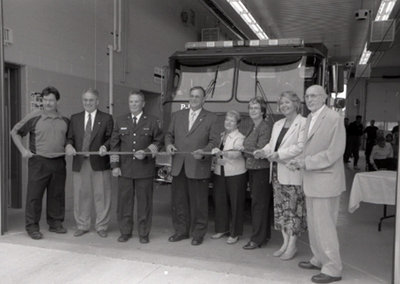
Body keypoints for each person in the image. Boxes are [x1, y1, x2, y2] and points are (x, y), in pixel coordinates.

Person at [288, 85, 345, 283]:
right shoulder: (311, 118)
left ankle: (332, 268)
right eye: (307, 96)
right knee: (314, 225)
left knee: (325, 227)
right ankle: (318, 258)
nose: (310, 99)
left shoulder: (333, 119)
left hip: (326, 181)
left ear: (324, 98)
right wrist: (299, 160)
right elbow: (308, 148)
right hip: (312, 180)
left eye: (314, 96)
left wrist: (306, 162)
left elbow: (334, 152)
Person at [10, 86, 69, 240]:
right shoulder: (34, 116)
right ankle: (32, 227)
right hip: (39, 162)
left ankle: (55, 223)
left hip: (58, 162)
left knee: (56, 195)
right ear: (42, 100)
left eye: (51, 100)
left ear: (57, 101)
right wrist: (23, 150)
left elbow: (70, 141)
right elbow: (14, 132)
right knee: (34, 196)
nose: (48, 103)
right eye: (45, 100)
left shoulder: (64, 120)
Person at [254, 91, 307, 260]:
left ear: (296, 104)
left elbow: (300, 147)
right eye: (281, 103)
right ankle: (285, 243)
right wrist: (263, 151)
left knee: (293, 211)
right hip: (276, 173)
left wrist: (279, 154)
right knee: (281, 211)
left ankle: (292, 246)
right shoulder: (277, 124)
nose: (284, 106)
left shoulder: (304, 123)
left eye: (287, 102)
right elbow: (271, 144)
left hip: (292, 172)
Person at [165, 86, 218, 246]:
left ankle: (198, 233)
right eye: (192, 96)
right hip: (178, 165)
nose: (194, 99)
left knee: (198, 203)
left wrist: (204, 151)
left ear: (204, 100)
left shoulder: (211, 117)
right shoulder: (177, 115)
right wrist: (168, 145)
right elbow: (169, 135)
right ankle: (181, 231)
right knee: (179, 201)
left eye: (197, 97)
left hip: (198, 165)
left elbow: (214, 142)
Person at [110, 91, 163, 243]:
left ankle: (143, 233)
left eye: (136, 101)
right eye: (131, 101)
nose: (133, 104)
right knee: (124, 203)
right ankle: (125, 231)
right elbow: (115, 145)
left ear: (143, 104)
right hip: (125, 169)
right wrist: (115, 165)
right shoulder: (120, 121)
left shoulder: (152, 121)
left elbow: (159, 141)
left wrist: (146, 152)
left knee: (144, 204)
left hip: (144, 169)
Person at [65, 88, 113, 238]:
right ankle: (82, 225)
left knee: (102, 195)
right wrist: (69, 145)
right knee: (81, 195)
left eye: (91, 100)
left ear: (97, 101)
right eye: (85, 100)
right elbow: (70, 138)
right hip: (80, 162)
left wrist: (106, 146)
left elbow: (112, 138)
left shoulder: (106, 118)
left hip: (99, 161)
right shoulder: (75, 118)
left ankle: (102, 226)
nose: (88, 103)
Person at [210, 110, 247, 245]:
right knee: (220, 202)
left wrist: (221, 153)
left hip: (235, 174)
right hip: (220, 173)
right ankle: (221, 229)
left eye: (232, 121)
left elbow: (236, 153)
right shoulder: (222, 136)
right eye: (227, 120)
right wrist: (216, 158)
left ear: (237, 123)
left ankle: (235, 233)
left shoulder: (240, 137)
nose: (228, 123)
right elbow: (217, 154)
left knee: (236, 203)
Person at [242, 97, 273, 250]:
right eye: (250, 108)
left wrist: (243, 151)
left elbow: (259, 150)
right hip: (253, 169)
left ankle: (256, 239)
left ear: (262, 111)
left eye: (255, 108)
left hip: (261, 169)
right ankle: (264, 236)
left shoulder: (264, 127)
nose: (252, 110)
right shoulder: (252, 126)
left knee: (258, 205)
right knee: (260, 204)